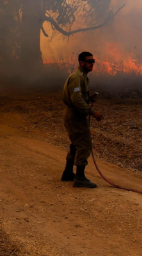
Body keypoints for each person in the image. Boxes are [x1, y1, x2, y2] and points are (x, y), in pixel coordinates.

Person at [60, 51, 104, 188]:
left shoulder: (83, 77)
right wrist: (92, 112)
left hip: (76, 115)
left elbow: (79, 98)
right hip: (74, 116)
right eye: (89, 61)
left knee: (76, 145)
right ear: (81, 63)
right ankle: (80, 177)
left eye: (93, 61)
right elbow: (76, 100)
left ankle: (68, 173)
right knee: (84, 144)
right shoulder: (77, 77)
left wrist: (89, 100)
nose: (92, 64)